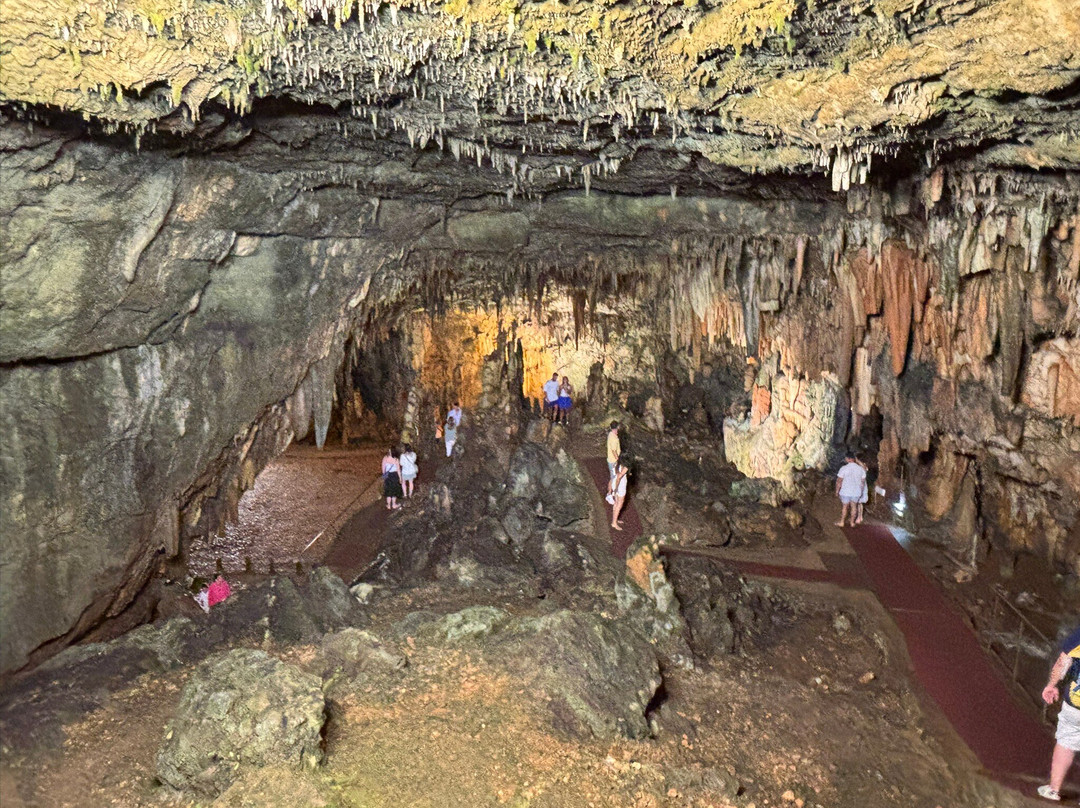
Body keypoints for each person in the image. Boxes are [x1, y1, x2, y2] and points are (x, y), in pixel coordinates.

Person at [1038, 626, 1080, 801]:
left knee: (1066, 741)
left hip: (1076, 703)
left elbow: (1064, 660)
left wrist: (1052, 684)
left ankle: (1053, 789)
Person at [835, 452, 867, 527]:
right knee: (854, 507)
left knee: (845, 507)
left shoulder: (844, 468)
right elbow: (862, 483)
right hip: (856, 492)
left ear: (848, 459)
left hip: (845, 491)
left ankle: (842, 522)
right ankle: (852, 523)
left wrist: (837, 491)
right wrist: (861, 492)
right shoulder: (860, 469)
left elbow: (839, 481)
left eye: (846, 458)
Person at [609, 457, 629, 531]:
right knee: (619, 504)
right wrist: (616, 489)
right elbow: (619, 476)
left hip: (616, 483)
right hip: (620, 485)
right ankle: (614, 523)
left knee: (616, 503)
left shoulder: (617, 463)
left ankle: (615, 519)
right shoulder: (626, 465)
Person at [855, 457, 869, 524]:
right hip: (859, 485)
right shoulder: (859, 468)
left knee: (859, 502)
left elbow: (864, 468)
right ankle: (859, 516)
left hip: (862, 486)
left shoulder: (864, 468)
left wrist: (858, 460)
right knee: (858, 503)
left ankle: (859, 516)